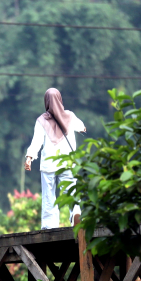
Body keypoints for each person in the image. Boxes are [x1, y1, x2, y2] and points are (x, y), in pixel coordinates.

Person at [25, 88, 86, 229]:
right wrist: (79, 128)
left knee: (49, 198)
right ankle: (76, 213)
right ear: (60, 99)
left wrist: (29, 158)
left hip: (48, 166)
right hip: (67, 163)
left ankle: (49, 226)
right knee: (71, 191)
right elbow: (82, 127)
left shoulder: (41, 121)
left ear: (46, 101)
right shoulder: (69, 116)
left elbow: (36, 142)